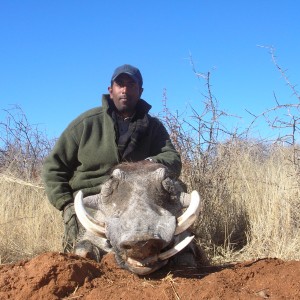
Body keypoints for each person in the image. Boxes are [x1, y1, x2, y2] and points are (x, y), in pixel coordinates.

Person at [42, 64, 182, 253]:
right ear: (111, 90)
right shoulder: (86, 124)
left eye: (131, 85)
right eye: (120, 84)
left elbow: (172, 158)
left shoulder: (153, 126)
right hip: (95, 200)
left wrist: (148, 164)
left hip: (139, 199)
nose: (125, 90)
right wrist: (66, 205)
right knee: (82, 253)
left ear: (140, 91)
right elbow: (54, 166)